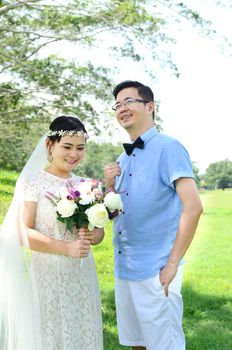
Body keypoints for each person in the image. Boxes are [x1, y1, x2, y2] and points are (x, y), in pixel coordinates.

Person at [104, 80, 203, 350]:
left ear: (150, 106)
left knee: (164, 345)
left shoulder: (169, 148)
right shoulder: (122, 160)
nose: (121, 108)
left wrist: (172, 265)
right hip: (125, 269)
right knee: (137, 344)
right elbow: (118, 214)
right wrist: (110, 188)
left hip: (156, 271)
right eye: (117, 104)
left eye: (128, 101)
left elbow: (193, 207)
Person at [0, 116, 104, 350]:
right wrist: (66, 248)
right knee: (51, 335)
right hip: (48, 275)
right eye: (66, 147)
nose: (73, 154)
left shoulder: (88, 186)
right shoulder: (33, 182)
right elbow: (21, 231)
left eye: (80, 148)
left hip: (83, 275)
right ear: (50, 145)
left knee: (83, 332)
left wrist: (91, 236)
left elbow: (99, 234)